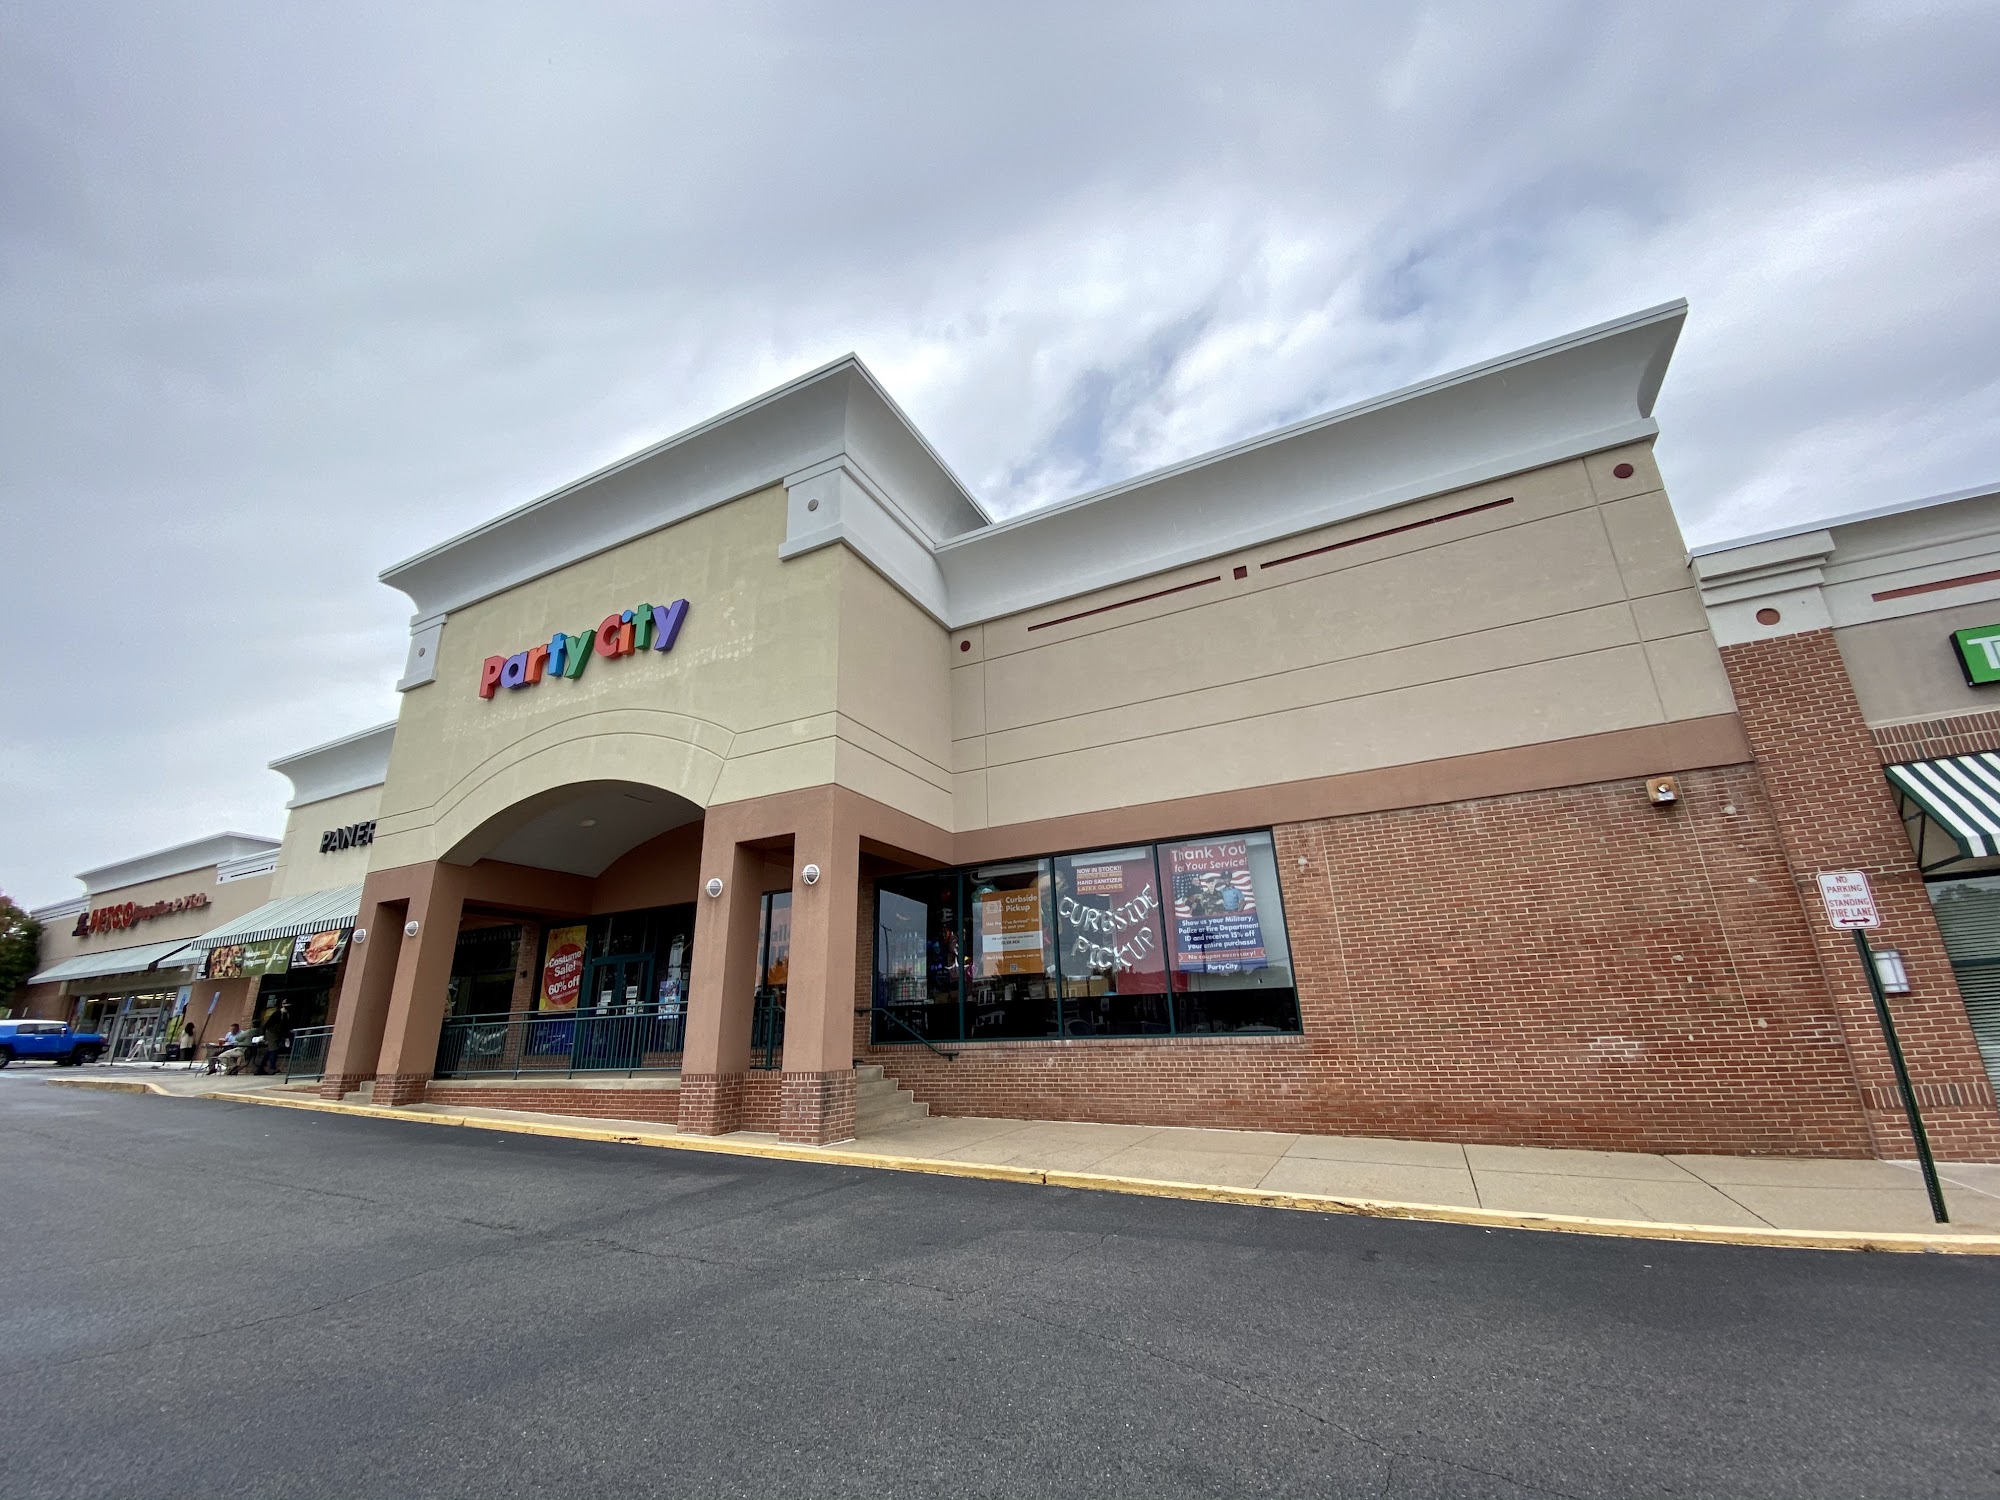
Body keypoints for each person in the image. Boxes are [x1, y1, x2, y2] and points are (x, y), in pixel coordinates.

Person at [256, 1005, 292, 1075]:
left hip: (278, 1034)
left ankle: (261, 1068)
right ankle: (272, 1068)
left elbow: (286, 1026)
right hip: (272, 1033)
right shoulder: (278, 1014)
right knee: (274, 1050)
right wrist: (262, 1034)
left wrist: (286, 1036)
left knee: (270, 1051)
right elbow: (267, 1024)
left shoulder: (287, 1014)